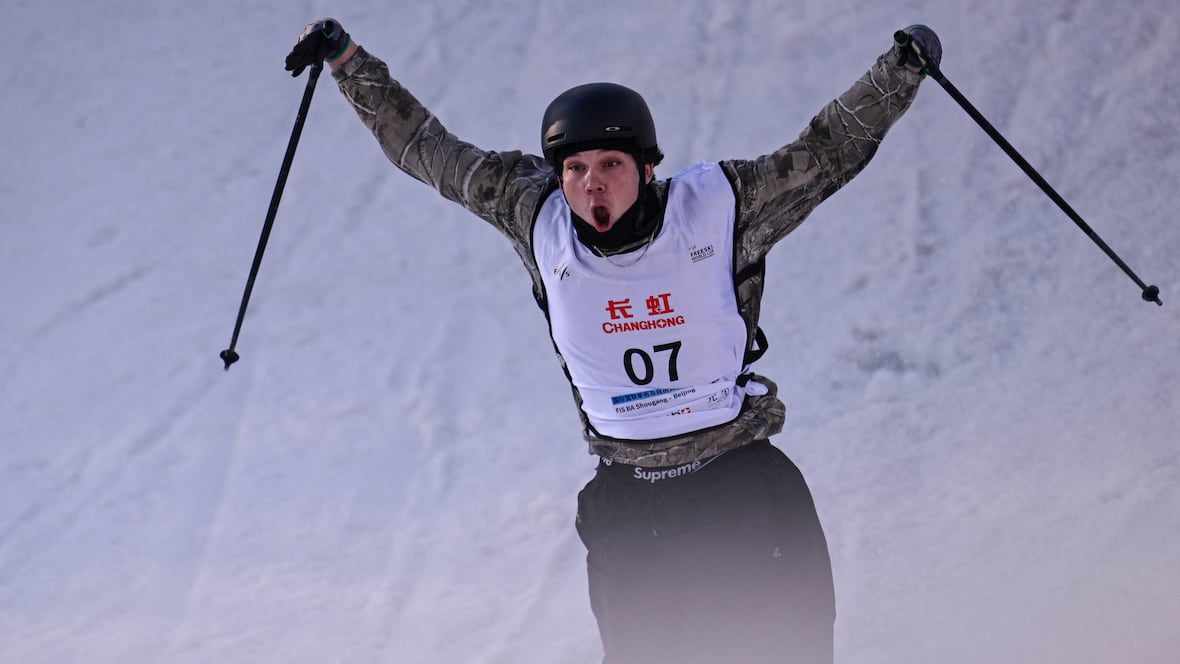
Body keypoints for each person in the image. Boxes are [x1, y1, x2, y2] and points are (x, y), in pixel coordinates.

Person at [286, 18, 941, 664]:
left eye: (610, 164)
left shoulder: (722, 209)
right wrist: (348, 63)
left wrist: (901, 71)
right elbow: (427, 149)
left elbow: (827, 150)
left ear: (648, 168)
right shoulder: (535, 217)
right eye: (574, 167)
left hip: (739, 492)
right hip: (629, 509)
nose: (591, 183)